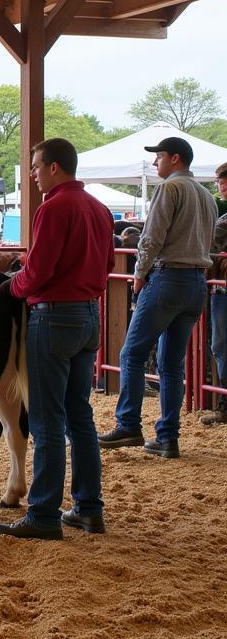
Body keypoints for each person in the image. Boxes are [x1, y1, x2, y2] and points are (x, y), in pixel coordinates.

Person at [0, 138, 114, 541]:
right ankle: (88, 508)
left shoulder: (54, 207)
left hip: (53, 317)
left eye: (36, 166)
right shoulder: (99, 209)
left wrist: (10, 288)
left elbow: (40, 272)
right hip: (88, 315)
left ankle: (44, 513)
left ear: (55, 168)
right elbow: (108, 262)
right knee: (80, 417)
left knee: (46, 419)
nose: (32, 173)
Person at [99, 136, 218, 459]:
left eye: (160, 157)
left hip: (167, 278)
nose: (156, 163)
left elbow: (152, 237)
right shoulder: (207, 196)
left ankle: (128, 425)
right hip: (196, 283)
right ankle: (167, 436)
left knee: (132, 354)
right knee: (171, 363)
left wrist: (139, 274)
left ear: (175, 159)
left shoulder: (169, 190)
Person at [200, 161, 227, 425]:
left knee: (221, 345)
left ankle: (224, 405)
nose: (220, 184)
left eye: (222, 180)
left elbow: (209, 248)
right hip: (220, 286)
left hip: (223, 288)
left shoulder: (223, 222)